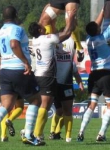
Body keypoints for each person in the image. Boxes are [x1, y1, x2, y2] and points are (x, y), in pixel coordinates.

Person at [0, 6, 42, 147]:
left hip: (5, 71)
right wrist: (25, 61)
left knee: (7, 106)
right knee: (36, 100)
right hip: (18, 69)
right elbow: (14, 44)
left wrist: (7, 53)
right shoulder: (17, 29)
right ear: (16, 15)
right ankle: (28, 135)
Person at [28, 11, 76, 142]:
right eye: (42, 26)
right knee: (45, 106)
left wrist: (53, 19)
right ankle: (36, 134)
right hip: (47, 77)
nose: (45, 26)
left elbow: (47, 27)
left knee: (43, 105)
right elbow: (66, 34)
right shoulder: (46, 39)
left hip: (38, 75)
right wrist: (71, 19)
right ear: (39, 29)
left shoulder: (35, 39)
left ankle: (35, 133)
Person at [76, 2, 110, 142]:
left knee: (92, 104)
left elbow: (94, 24)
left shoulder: (89, 40)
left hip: (93, 74)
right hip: (105, 73)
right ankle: (101, 133)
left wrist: (102, 11)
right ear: (97, 29)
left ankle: (81, 131)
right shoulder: (103, 38)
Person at [49, 34, 85, 143]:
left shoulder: (71, 61)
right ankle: (53, 132)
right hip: (56, 84)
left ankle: (65, 135)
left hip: (67, 85)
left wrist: (80, 83)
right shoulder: (53, 55)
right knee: (60, 111)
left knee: (67, 111)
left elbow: (76, 73)